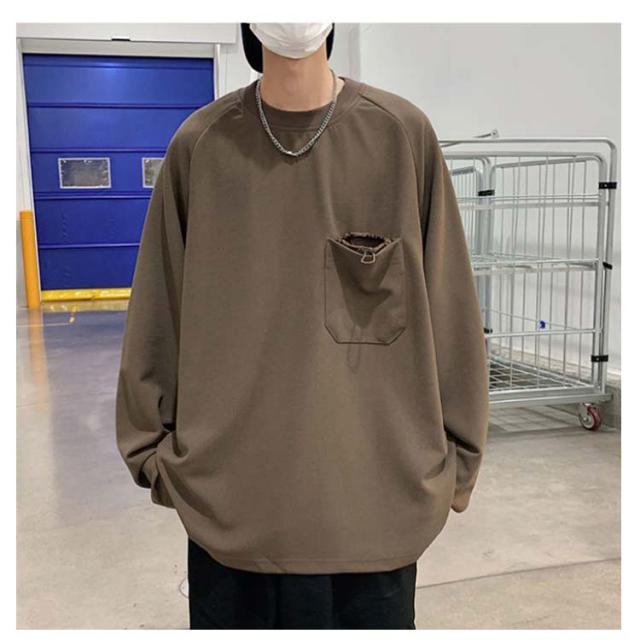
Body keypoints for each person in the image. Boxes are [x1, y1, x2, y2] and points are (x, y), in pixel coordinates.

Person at [115, 22, 490, 630]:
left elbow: (451, 309)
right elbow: (158, 312)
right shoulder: (201, 146)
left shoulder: (400, 136)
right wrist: (155, 459)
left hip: (374, 511)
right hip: (230, 514)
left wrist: (455, 461)